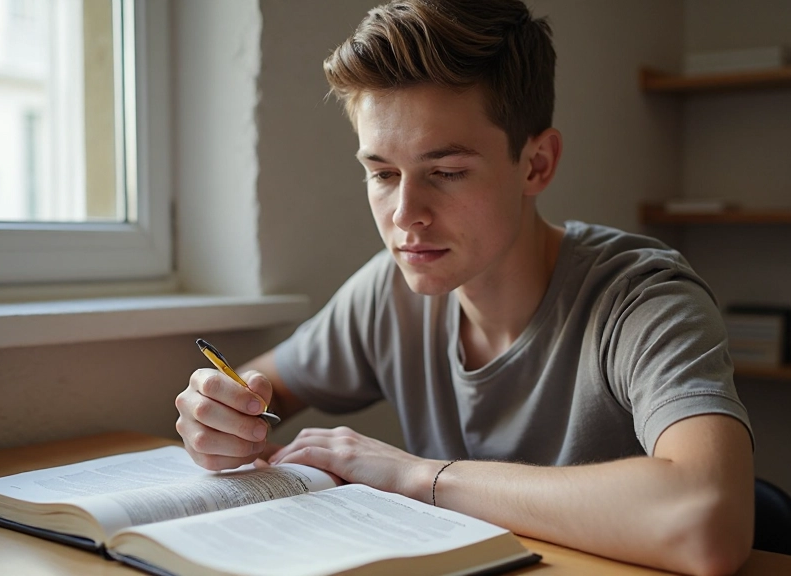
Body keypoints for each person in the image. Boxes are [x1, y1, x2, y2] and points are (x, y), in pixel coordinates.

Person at [175, 1, 755, 574]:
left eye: (446, 172)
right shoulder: (387, 293)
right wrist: (220, 415)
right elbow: (262, 388)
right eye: (382, 173)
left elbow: (708, 519)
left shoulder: (644, 299)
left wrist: (418, 475)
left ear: (536, 164)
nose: (405, 215)